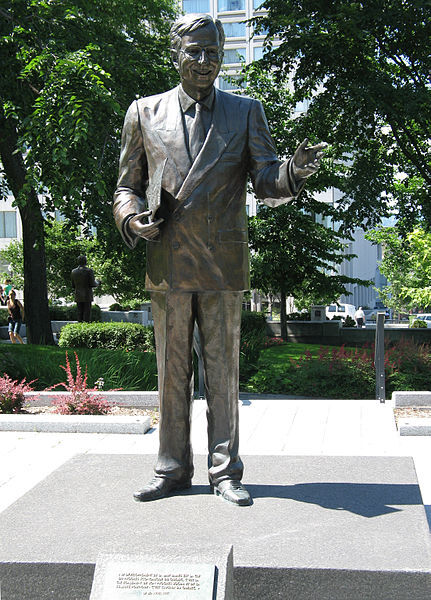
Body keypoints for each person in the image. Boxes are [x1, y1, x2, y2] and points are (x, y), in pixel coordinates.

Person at [113, 13, 325, 506]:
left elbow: (267, 182)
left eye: (213, 52)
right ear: (176, 54)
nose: (205, 62)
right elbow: (126, 185)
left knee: (224, 373)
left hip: (222, 263)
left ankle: (225, 471)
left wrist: (293, 172)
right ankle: (170, 468)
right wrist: (130, 220)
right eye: (195, 52)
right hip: (168, 261)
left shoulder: (245, 112)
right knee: (171, 374)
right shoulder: (144, 112)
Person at [71, 255, 100, 322]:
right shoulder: (89, 271)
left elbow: (73, 285)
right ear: (85, 261)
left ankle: (80, 327)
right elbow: (93, 284)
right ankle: (85, 327)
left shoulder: (73, 272)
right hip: (87, 295)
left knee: (79, 313)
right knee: (87, 313)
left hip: (78, 295)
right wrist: (98, 282)